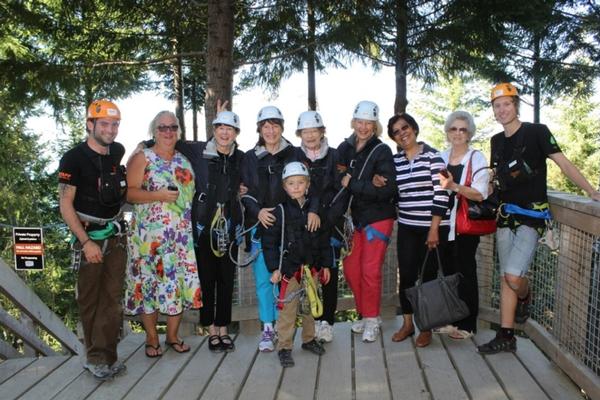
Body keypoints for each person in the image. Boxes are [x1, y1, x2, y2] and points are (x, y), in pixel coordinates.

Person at [477, 83, 600, 354]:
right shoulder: (497, 141)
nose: (502, 110)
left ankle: (526, 294)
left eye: (506, 104)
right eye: (497, 106)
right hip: (506, 214)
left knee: (513, 275)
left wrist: (590, 190)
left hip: (533, 215)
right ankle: (506, 335)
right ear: (493, 111)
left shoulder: (537, 132)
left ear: (516, 105)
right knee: (505, 275)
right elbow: (495, 179)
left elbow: (563, 162)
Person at [58, 99, 128, 380]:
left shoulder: (118, 152)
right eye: (104, 124)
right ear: (90, 124)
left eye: (115, 124)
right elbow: (65, 205)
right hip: (89, 237)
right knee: (90, 298)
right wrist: (86, 243)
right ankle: (95, 356)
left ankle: (107, 357)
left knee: (112, 298)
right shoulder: (73, 159)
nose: (110, 130)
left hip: (115, 236)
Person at [240, 106, 320, 352]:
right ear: (260, 129)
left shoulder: (295, 154)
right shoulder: (250, 158)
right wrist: (258, 212)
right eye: (266, 126)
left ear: (282, 128)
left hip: (293, 228)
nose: (271, 130)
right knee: (265, 278)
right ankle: (268, 327)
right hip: (261, 225)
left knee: (290, 281)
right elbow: (244, 193)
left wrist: (314, 210)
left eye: (275, 125)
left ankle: (290, 331)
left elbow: (312, 186)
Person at [124, 111, 201, 358]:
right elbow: (130, 194)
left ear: (178, 130)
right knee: (148, 286)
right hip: (150, 241)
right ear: (154, 131)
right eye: (162, 128)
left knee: (176, 284)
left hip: (179, 239)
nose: (168, 132)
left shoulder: (183, 161)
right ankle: (151, 338)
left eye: (172, 127)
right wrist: (158, 195)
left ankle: (172, 336)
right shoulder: (142, 158)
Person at [387, 113, 450, 348]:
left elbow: (441, 193)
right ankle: (407, 324)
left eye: (405, 127)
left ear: (414, 128)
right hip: (406, 227)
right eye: (396, 131)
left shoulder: (435, 157)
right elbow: (392, 189)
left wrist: (434, 229)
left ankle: (426, 328)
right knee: (407, 277)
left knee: (429, 280)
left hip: (433, 228)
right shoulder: (396, 161)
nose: (402, 133)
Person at [337, 100, 397, 343]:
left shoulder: (382, 151)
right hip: (356, 218)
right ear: (353, 122)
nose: (363, 127)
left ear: (375, 125)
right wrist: (367, 183)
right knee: (352, 270)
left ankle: (372, 318)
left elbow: (387, 190)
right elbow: (338, 175)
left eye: (368, 123)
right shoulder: (345, 147)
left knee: (370, 270)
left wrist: (353, 183)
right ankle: (365, 313)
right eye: (359, 122)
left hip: (379, 218)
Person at [184, 110, 244, 353]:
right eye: (220, 127)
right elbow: (169, 140)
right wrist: (142, 145)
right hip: (203, 225)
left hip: (228, 225)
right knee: (207, 279)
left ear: (236, 133)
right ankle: (211, 330)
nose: (225, 132)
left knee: (226, 280)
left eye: (230, 129)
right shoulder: (199, 152)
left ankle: (223, 328)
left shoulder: (240, 158)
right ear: (214, 130)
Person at [262, 162, 331, 367]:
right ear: (285, 187)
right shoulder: (280, 212)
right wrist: (274, 268)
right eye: (291, 183)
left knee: (310, 306)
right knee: (288, 310)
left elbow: (323, 239)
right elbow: (270, 243)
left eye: (301, 182)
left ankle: (309, 339)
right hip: (289, 271)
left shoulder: (315, 212)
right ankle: (284, 346)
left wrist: (325, 264)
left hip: (311, 268)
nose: (296, 187)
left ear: (307, 185)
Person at [437, 111, 490, 339]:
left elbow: (480, 193)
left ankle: (468, 324)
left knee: (465, 271)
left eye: (463, 129)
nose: (458, 133)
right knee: (448, 272)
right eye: (453, 129)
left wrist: (454, 186)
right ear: (448, 132)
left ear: (469, 133)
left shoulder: (476, 158)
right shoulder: (441, 157)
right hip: (442, 223)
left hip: (464, 226)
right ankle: (452, 320)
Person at [294, 110, 344, 343]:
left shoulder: (335, 157)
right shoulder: (293, 156)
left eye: (314, 130)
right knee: (305, 274)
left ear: (322, 131)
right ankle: (309, 324)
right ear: (299, 134)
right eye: (305, 131)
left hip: (330, 225)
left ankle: (327, 322)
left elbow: (342, 192)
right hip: (303, 226)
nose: (310, 136)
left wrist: (326, 220)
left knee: (329, 273)